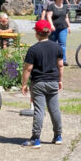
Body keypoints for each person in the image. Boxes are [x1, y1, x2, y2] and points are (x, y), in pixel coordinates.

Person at [20, 20, 64, 148]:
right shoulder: (57, 47)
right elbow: (60, 65)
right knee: (54, 109)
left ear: (37, 33)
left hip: (38, 83)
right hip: (53, 81)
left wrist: (24, 84)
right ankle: (58, 136)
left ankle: (36, 138)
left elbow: (28, 69)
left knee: (39, 110)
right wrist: (60, 80)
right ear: (49, 32)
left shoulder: (33, 49)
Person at [46, 0, 71, 65]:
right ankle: (52, 59)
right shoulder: (51, 6)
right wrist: (51, 25)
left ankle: (63, 60)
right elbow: (48, 16)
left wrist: (69, 26)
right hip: (53, 29)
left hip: (63, 28)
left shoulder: (65, 7)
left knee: (62, 44)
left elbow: (66, 18)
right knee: (52, 44)